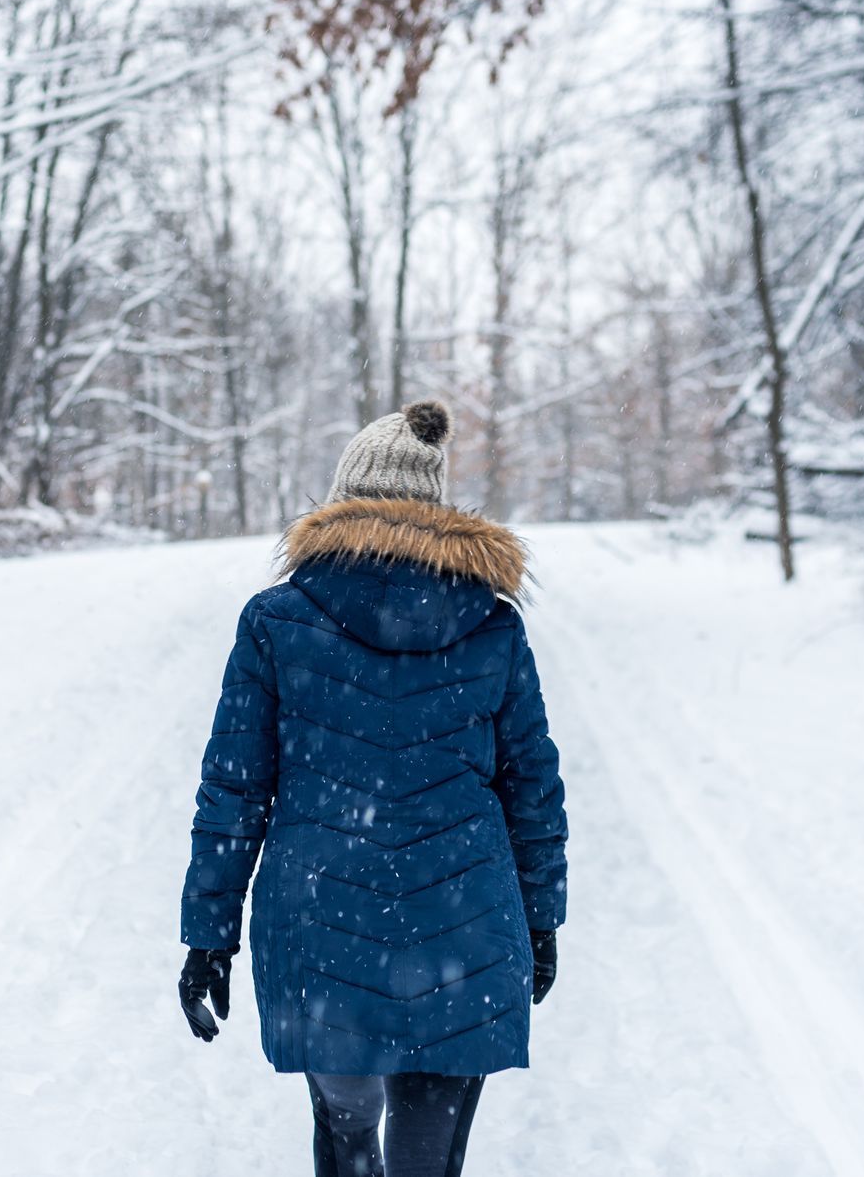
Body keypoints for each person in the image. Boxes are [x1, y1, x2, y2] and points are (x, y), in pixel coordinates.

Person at [177, 399, 570, 1177]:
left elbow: (234, 787)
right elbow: (532, 785)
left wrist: (209, 933)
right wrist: (541, 916)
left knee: (348, 1132)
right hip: (465, 930)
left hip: (323, 925)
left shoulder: (275, 621)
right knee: (429, 1160)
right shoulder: (492, 625)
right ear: (434, 507)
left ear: (343, 500)